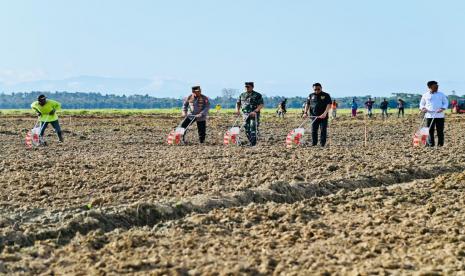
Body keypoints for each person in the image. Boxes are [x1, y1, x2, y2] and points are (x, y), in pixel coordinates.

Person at [419, 81, 449, 147]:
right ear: (429, 87)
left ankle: (440, 144)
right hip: (429, 115)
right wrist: (423, 108)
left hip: (439, 115)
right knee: (429, 131)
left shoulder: (441, 94)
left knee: (440, 131)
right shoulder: (425, 95)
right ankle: (430, 144)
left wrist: (442, 108)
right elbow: (421, 104)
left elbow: (446, 103)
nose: (437, 87)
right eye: (435, 86)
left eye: (437, 86)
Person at [236, 82, 264, 146]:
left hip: (254, 114)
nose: (246, 88)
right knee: (246, 127)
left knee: (253, 127)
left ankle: (253, 143)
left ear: (252, 87)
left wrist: (255, 111)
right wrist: (237, 110)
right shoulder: (242, 95)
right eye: (245, 87)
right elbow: (238, 103)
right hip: (245, 114)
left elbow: (261, 104)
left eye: (248, 87)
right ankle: (250, 141)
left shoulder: (257, 95)